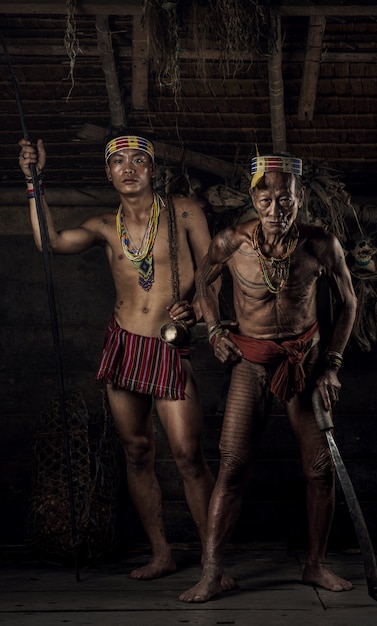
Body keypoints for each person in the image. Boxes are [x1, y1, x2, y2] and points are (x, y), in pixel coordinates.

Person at [18, 133, 219, 581]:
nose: (128, 168)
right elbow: (49, 242)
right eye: (117, 162)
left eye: (137, 160)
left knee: (188, 454)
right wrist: (35, 181)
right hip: (125, 343)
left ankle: (212, 560)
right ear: (108, 173)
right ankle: (161, 552)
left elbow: (212, 274)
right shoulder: (103, 227)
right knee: (137, 451)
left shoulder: (183, 211)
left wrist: (201, 316)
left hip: (168, 343)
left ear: (152, 168)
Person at [179, 153, 358, 603]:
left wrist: (332, 365)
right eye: (265, 197)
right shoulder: (231, 242)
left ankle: (315, 566)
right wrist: (216, 328)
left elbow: (350, 303)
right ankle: (212, 572)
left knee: (319, 470)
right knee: (233, 465)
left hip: (305, 361)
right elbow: (202, 282)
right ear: (252, 197)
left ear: (300, 199)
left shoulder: (320, 244)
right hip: (251, 361)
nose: (275, 209)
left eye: (285, 199)